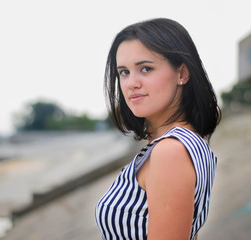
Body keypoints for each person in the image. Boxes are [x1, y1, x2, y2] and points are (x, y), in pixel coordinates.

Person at [95, 18, 221, 240]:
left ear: (182, 74)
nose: (131, 83)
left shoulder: (170, 152)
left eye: (145, 68)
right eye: (124, 72)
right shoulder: (189, 143)